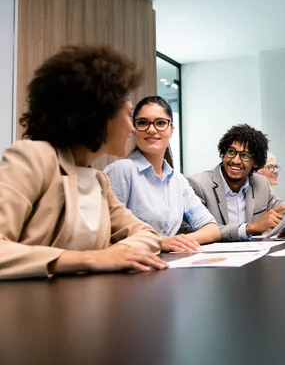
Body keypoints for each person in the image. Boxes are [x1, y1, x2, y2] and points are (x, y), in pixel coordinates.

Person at [0, 44, 167, 280]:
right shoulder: (32, 158)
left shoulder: (99, 181)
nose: (132, 128)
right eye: (129, 115)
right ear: (99, 114)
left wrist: (120, 252)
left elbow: (148, 234)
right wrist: (91, 259)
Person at [105, 96, 219, 252]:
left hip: (169, 264)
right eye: (143, 123)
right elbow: (106, 234)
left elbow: (211, 229)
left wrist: (173, 242)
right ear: (134, 129)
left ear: (171, 129)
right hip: (131, 264)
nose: (151, 129)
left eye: (160, 123)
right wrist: (159, 242)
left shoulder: (178, 180)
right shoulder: (121, 171)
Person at [187, 124, 285, 242]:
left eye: (244, 155)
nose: (235, 160)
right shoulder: (198, 184)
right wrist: (250, 228)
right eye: (231, 152)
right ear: (223, 154)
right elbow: (191, 230)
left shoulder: (261, 183)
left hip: (254, 257)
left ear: (256, 162)